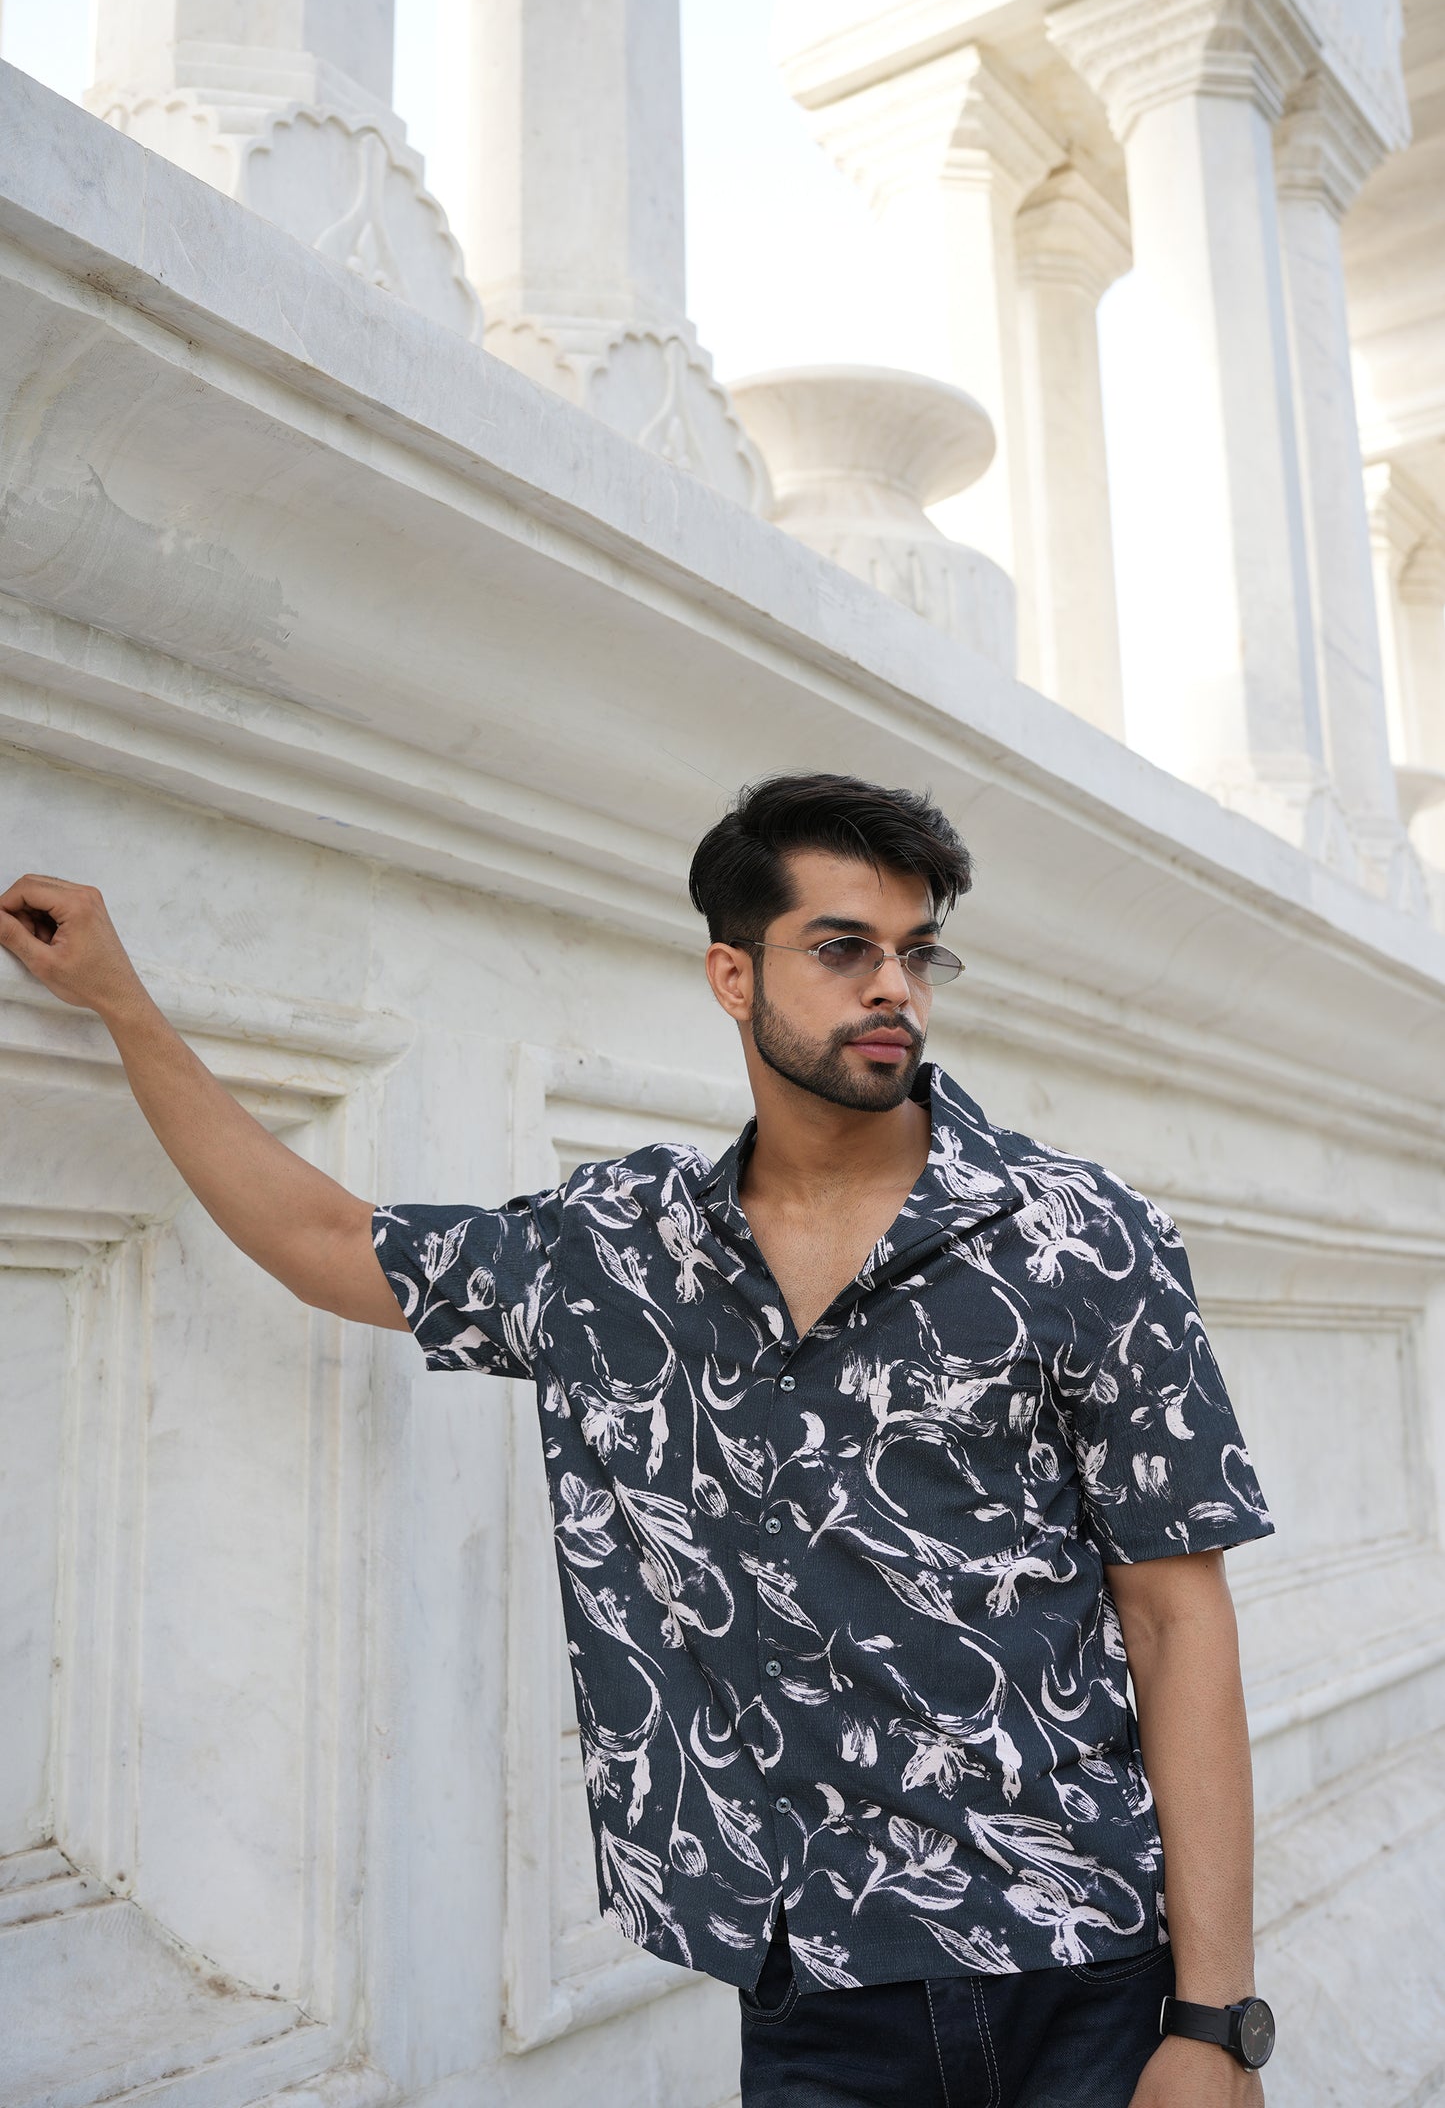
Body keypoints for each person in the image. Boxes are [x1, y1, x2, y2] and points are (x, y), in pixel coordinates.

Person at [0, 772, 1275, 2107]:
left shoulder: (1079, 1233)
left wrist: (1212, 2021)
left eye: (915, 953)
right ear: (732, 975)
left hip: (1086, 1965)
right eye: (842, 949)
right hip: (813, 1991)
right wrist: (122, 1005)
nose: (891, 986)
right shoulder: (621, 1252)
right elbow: (328, 1243)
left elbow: (1177, 1618)